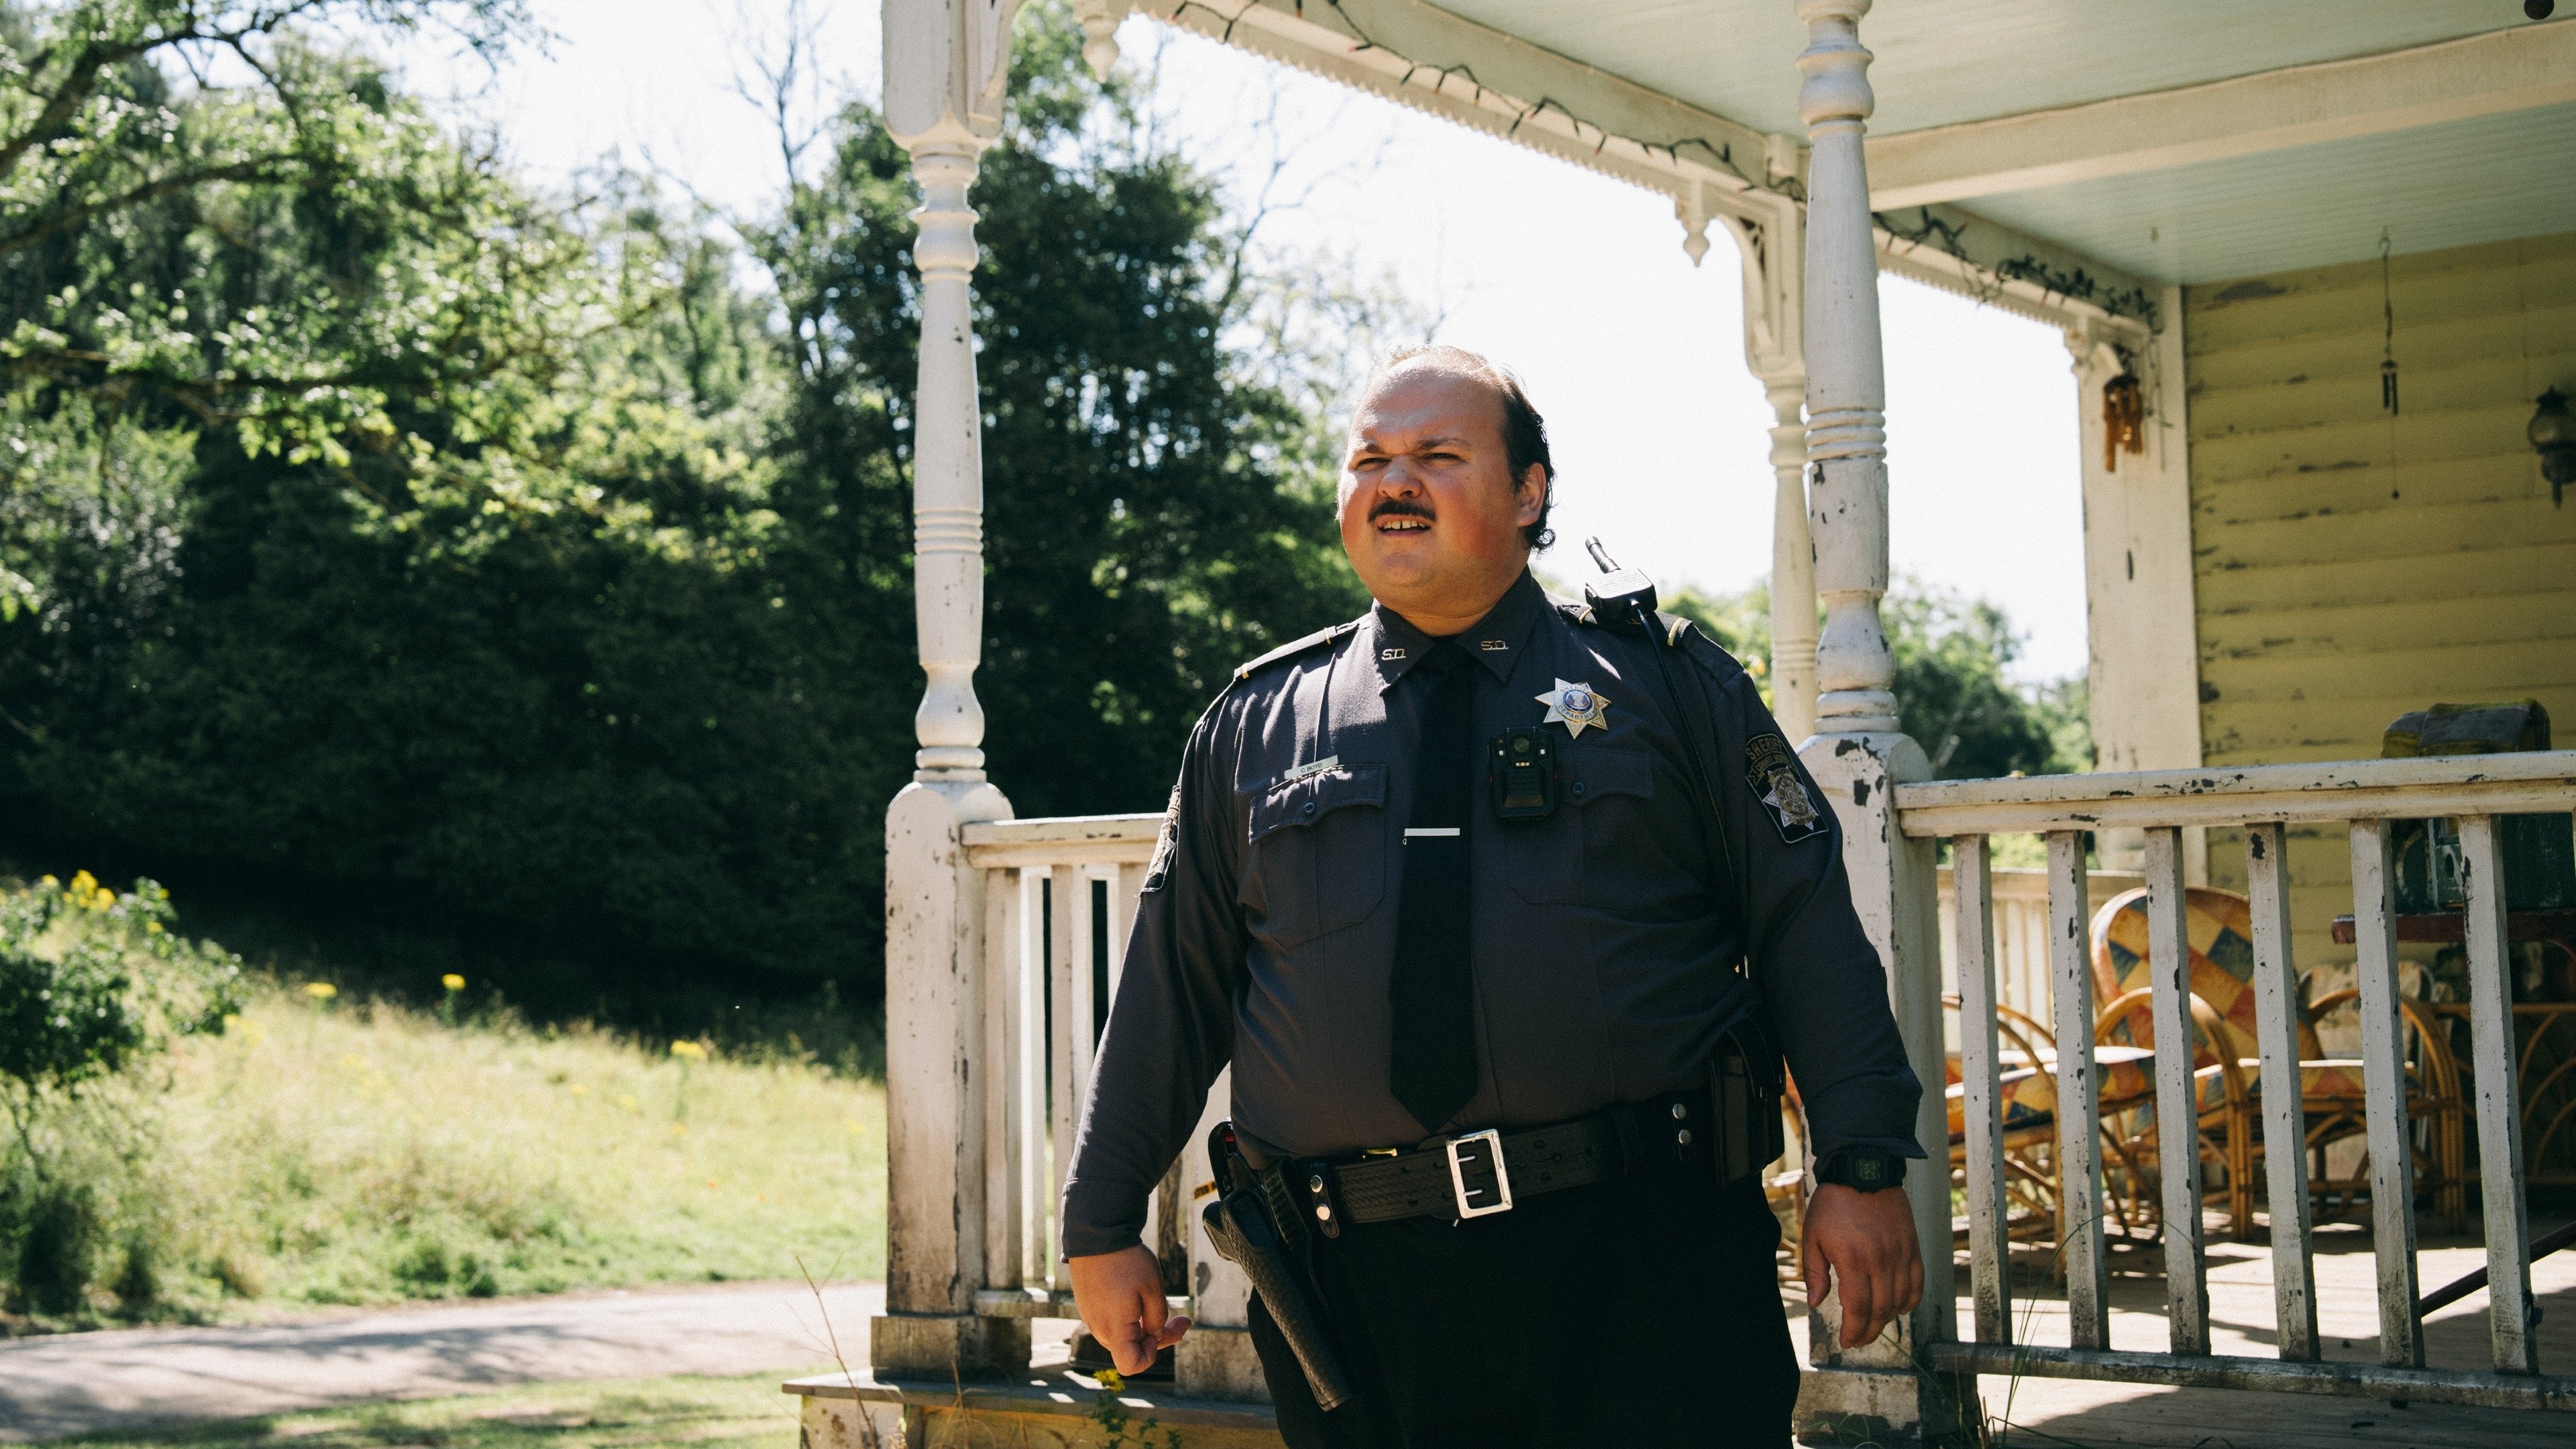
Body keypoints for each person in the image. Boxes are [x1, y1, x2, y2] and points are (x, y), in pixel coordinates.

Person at [1061, 345, 1925, 1447]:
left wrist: (1857, 1162)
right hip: (1355, 1291)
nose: (1393, 481)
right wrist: (1101, 1224)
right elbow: (1169, 993)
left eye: (1436, 454)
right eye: (1368, 458)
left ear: (1530, 493)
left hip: (1642, 1257)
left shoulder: (1666, 686)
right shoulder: (1254, 725)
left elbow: (1804, 921)